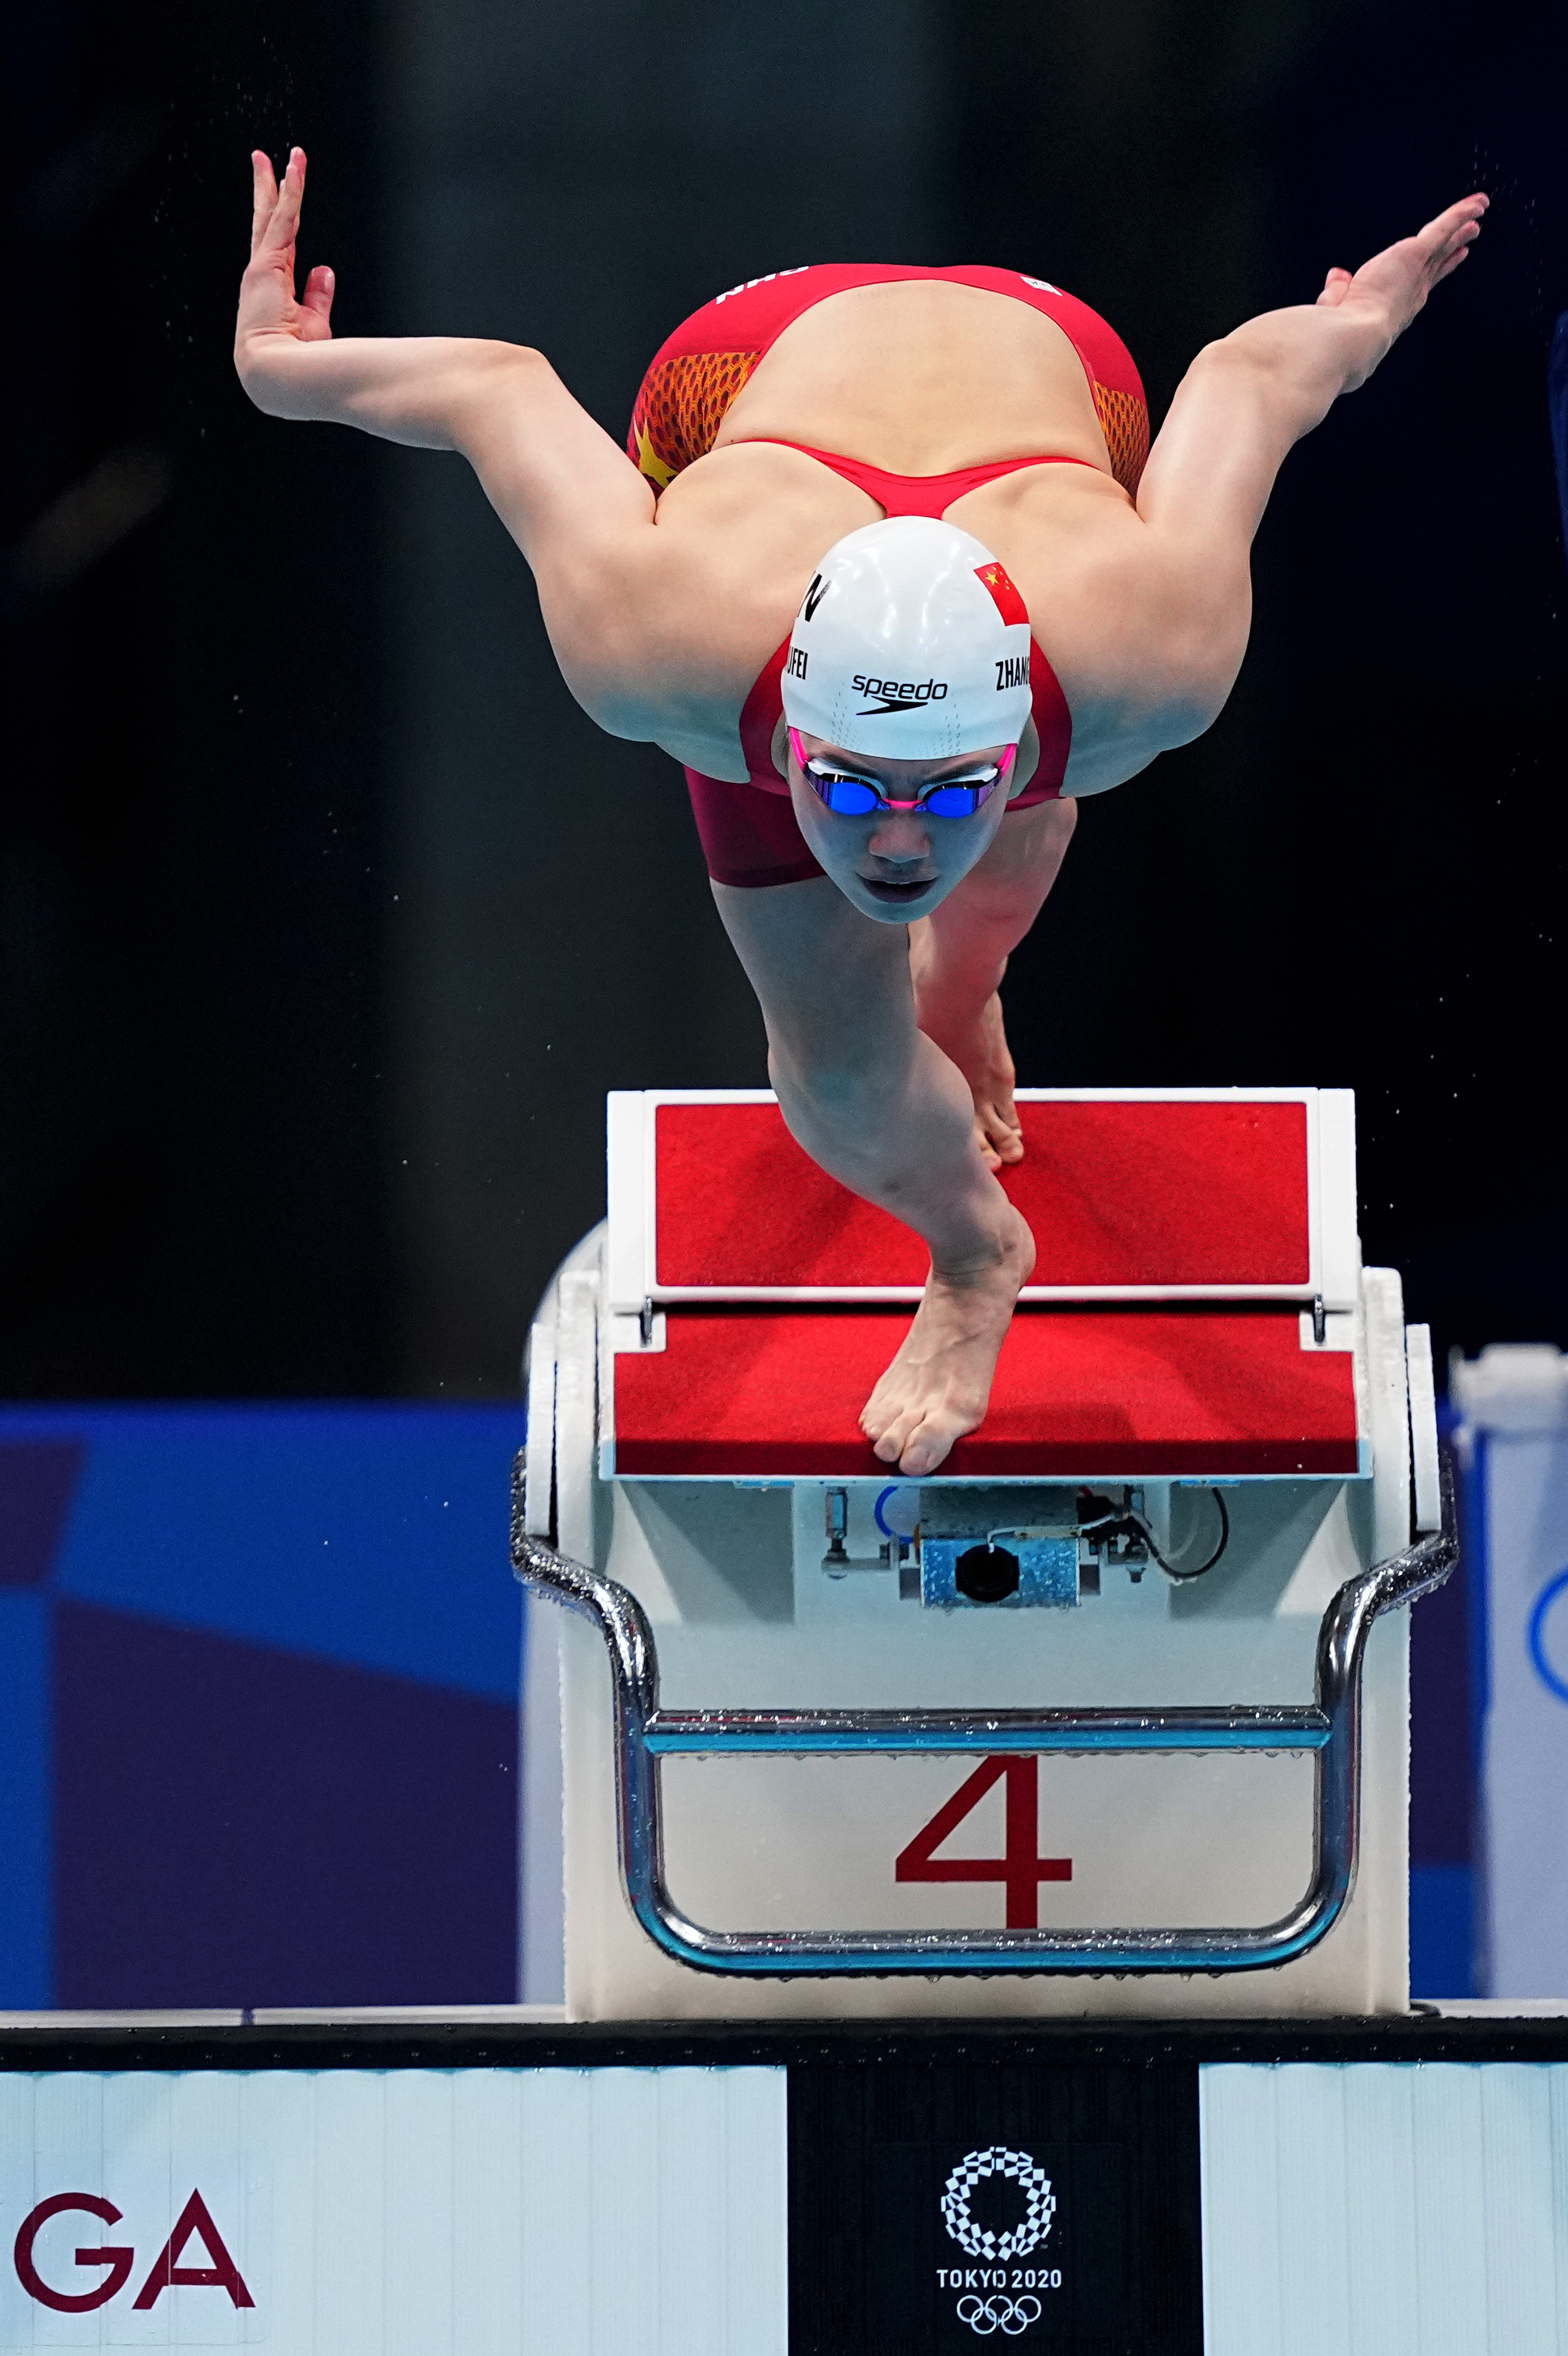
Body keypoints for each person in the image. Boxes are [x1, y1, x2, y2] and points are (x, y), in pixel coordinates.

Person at [235, 152, 1486, 1475]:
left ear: (1015, 737)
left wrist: (1355, 326)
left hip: (1045, 367)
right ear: (783, 740)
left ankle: (964, 1066)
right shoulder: (661, 640)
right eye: (846, 790)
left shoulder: (1146, 661)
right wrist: (278, 368)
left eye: (950, 790)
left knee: (991, 875)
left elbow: (1254, 380)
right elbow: (496, 387)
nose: (893, 843)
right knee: (830, 1062)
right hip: (755, 364)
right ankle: (976, 1240)